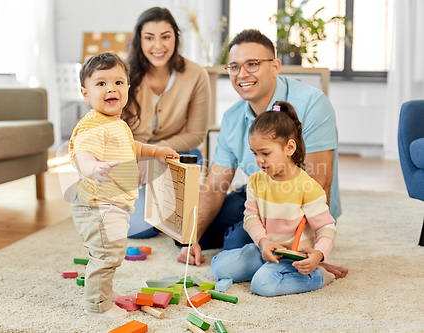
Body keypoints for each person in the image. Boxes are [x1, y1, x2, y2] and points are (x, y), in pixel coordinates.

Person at [178, 29, 348, 279]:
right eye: (234, 66)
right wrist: (191, 239)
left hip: (299, 206)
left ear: (275, 66)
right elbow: (215, 184)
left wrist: (308, 250)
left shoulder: (312, 103)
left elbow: (319, 183)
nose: (242, 74)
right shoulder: (232, 116)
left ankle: (255, 247)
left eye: (252, 64)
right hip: (259, 194)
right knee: (187, 233)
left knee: (235, 241)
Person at [68, 52, 179, 319]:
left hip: (112, 203)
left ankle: (104, 291)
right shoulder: (93, 126)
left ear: (128, 87)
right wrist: (92, 168)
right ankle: (97, 306)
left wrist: (154, 152)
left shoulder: (116, 123)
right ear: (86, 93)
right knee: (106, 254)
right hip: (98, 206)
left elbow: (132, 147)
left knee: (111, 253)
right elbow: (82, 153)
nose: (111, 89)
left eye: (118, 82)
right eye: (101, 83)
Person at [211, 101, 337, 296]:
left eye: (265, 153)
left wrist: (319, 255)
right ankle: (262, 269)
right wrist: (263, 243)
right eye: (255, 153)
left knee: (262, 285)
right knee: (219, 266)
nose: (259, 160)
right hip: (264, 249)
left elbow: (326, 227)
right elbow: (250, 217)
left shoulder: (308, 187)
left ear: (289, 148)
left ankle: (320, 276)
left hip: (293, 256)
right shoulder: (256, 181)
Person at [123, 7, 211, 239]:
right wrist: (139, 155)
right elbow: (108, 128)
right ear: (139, 40)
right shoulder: (122, 72)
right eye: (149, 38)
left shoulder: (196, 75)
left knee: (163, 221)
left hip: (173, 153)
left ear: (176, 38)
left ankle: (165, 208)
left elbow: (195, 134)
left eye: (165, 37)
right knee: (136, 230)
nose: (158, 46)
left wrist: (154, 153)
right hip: (129, 156)